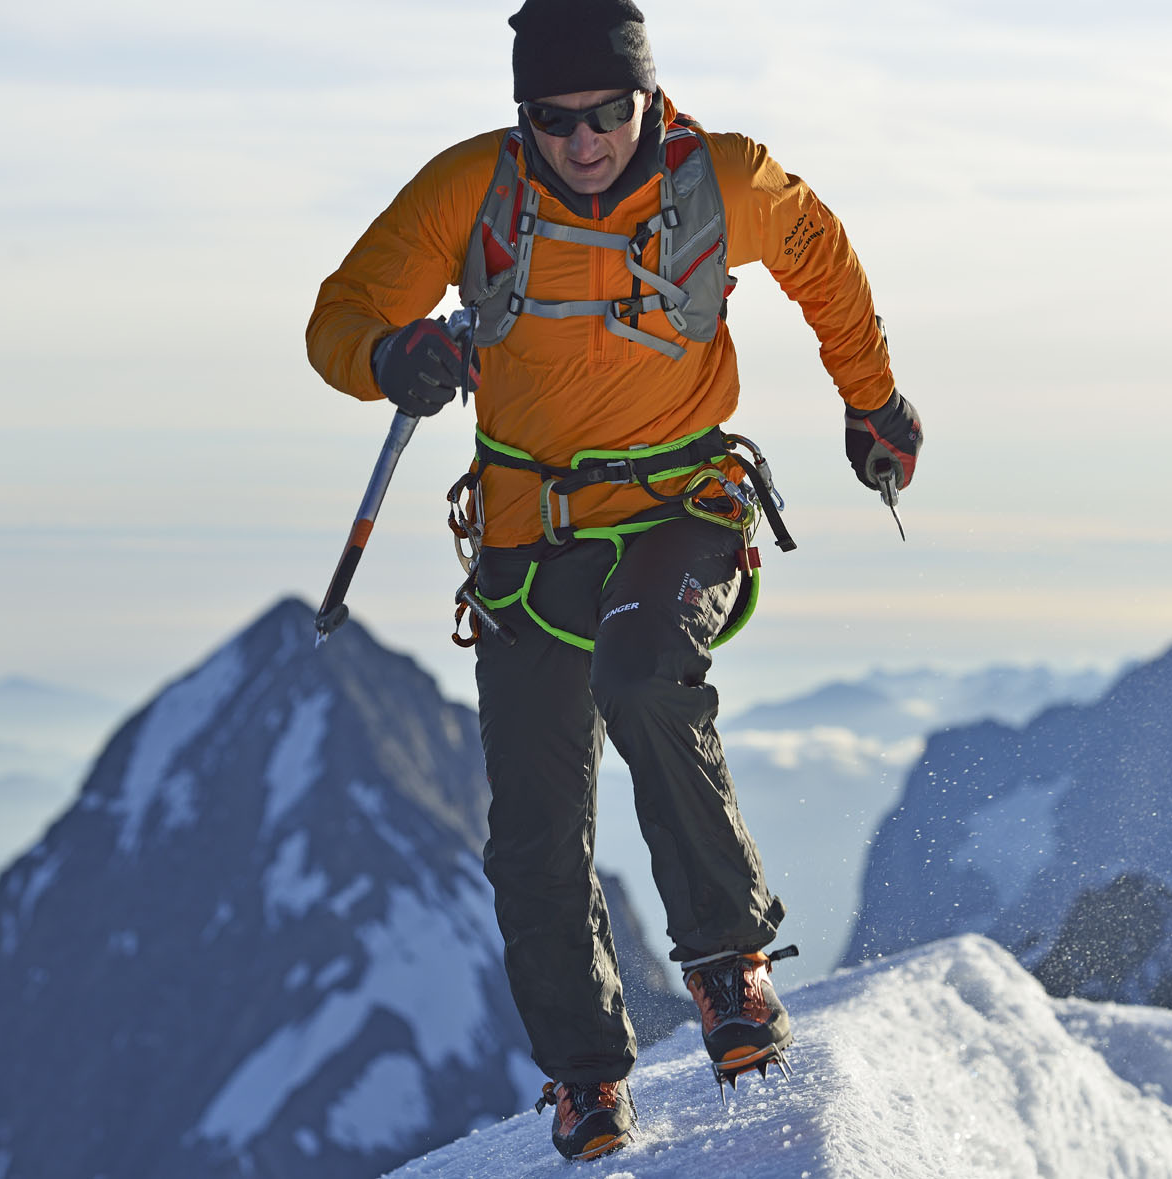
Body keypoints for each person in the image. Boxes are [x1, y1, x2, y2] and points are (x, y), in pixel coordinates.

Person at [306, 0, 922, 1161]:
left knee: (645, 671)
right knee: (535, 825)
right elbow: (336, 317)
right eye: (553, 118)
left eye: (606, 113)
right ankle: (585, 1077)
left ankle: (727, 967)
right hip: (526, 539)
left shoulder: (722, 179)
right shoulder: (468, 193)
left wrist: (871, 399)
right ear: (522, 113)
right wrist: (388, 354)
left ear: (649, 99)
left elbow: (818, 256)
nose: (582, 141)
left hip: (677, 510)